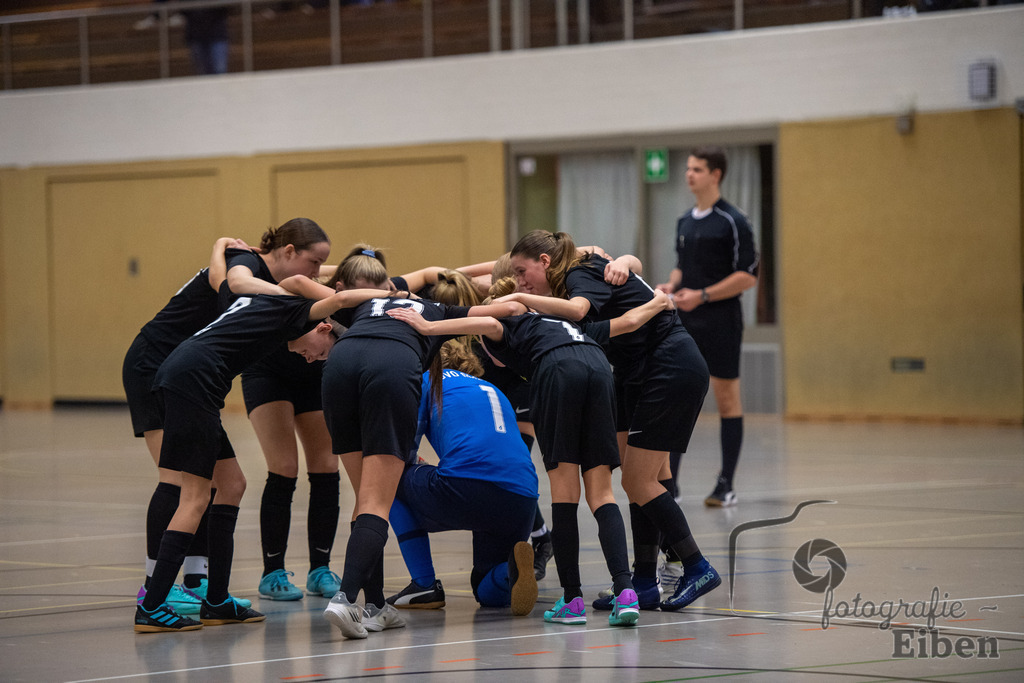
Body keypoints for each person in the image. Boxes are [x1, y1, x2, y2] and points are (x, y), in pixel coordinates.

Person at [389, 279, 674, 627]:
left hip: (556, 375)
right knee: (602, 493)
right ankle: (626, 591)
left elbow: (492, 322)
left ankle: (571, 599)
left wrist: (429, 326)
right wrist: (659, 300)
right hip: (598, 371)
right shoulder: (567, 325)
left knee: (565, 495)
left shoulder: (511, 324)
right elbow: (628, 322)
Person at [278, 255, 524, 640]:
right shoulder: (438, 310)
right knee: (378, 500)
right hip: (391, 367)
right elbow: (505, 311)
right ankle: (346, 600)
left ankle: (375, 605)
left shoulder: (366, 301)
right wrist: (433, 325)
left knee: (365, 498)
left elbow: (295, 282)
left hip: (339, 366)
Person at [135, 280, 394, 632]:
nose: (312, 359)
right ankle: (151, 606)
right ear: (323, 326)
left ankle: (216, 601)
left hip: (189, 379)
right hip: (191, 381)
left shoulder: (266, 308)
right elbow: (342, 297)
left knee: (232, 485)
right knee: (195, 497)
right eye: (320, 352)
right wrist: (396, 297)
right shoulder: (293, 310)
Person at [498, 230, 721, 614]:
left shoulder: (576, 277)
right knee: (642, 477)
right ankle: (644, 581)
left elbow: (583, 312)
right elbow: (613, 272)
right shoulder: (578, 266)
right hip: (632, 372)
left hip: (668, 365)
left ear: (545, 262)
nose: (521, 282)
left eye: (523, 272)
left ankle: (696, 565)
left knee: (638, 480)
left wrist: (518, 299)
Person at [123, 237, 254, 617]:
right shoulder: (240, 268)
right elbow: (220, 278)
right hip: (154, 368)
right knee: (177, 479)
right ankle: (151, 586)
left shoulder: (257, 270)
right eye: (312, 263)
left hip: (188, 380)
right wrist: (217, 245)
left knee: (215, 479)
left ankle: (195, 582)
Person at [221, 219, 344, 603]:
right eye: (313, 262)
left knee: (325, 464)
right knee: (284, 467)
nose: (317, 270)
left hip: (313, 368)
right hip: (267, 372)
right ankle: (272, 571)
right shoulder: (255, 271)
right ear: (289, 252)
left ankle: (320, 568)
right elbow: (230, 276)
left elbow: (352, 276)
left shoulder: (309, 279)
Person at [385, 360, 540, 616]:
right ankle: (509, 569)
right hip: (523, 499)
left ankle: (424, 585)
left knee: (388, 480)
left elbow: (404, 451)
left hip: (468, 486)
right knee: (485, 591)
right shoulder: (492, 387)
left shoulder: (427, 381)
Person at [656, 146, 759, 509]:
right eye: (688, 169)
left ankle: (725, 484)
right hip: (686, 322)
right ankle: (671, 484)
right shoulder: (684, 220)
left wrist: (702, 295)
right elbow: (681, 266)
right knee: (678, 398)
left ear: (716, 174)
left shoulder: (733, 221)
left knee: (727, 399)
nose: (689, 175)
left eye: (697, 169)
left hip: (722, 322)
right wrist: (672, 285)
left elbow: (747, 276)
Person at [182, 1, 230, 76]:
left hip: (216, 32)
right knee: (203, 73)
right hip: (196, 33)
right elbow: (183, 8)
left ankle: (221, 87)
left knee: (219, 70)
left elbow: (226, 7)